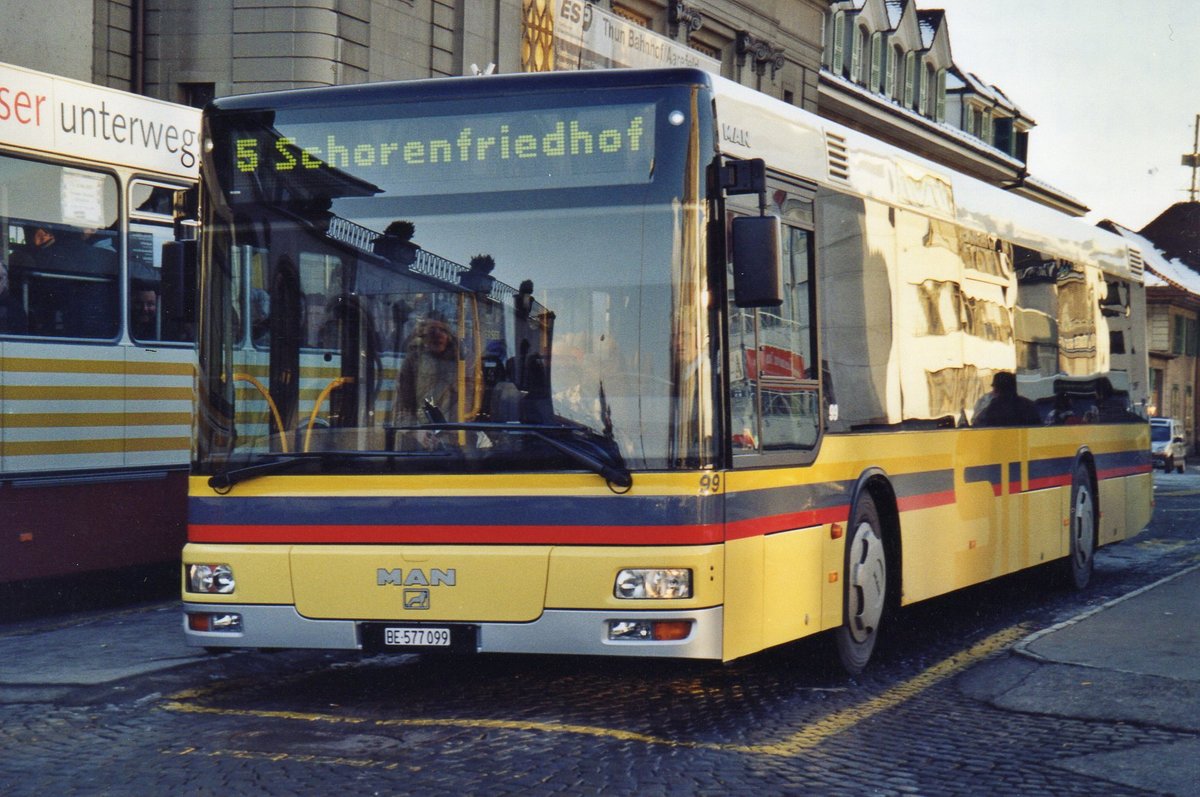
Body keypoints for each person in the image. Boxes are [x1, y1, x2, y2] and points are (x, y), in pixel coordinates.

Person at [392, 315, 460, 431]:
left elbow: (466, 405)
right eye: (432, 331)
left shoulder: (462, 362)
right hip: (421, 435)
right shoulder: (412, 361)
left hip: (457, 432)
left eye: (443, 330)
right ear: (423, 336)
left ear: (449, 336)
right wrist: (417, 432)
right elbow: (403, 407)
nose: (438, 335)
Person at [974, 371, 1040, 427]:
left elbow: (977, 425)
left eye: (994, 388)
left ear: (997, 389)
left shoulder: (993, 407)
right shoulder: (1028, 405)